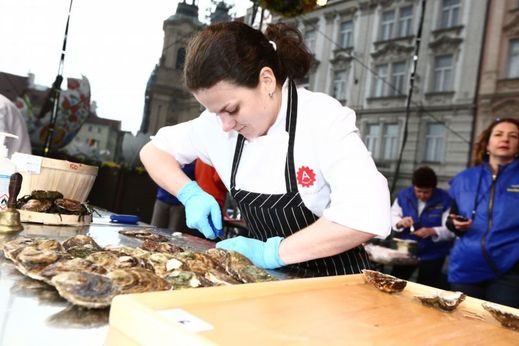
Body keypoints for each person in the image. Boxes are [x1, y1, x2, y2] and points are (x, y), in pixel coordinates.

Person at [140, 21, 391, 277]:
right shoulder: (217, 126)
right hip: (269, 282)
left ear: (267, 81)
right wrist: (189, 193)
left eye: (232, 109)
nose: (225, 125)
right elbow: (154, 152)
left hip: (336, 285)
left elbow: (367, 214)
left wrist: (272, 253)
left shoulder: (322, 119)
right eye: (215, 113)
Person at [446, 118, 519, 308]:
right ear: (487, 143)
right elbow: (450, 219)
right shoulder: (464, 179)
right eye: (498, 134)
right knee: (463, 327)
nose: (505, 139)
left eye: (513, 136)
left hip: (510, 272)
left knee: (501, 333)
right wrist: (454, 224)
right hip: (466, 267)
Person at [390, 166, 453, 289]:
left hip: (433, 253)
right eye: (418, 191)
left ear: (433, 189)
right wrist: (400, 222)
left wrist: (433, 231)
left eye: (426, 192)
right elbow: (393, 216)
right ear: (414, 186)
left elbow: (451, 228)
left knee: (426, 289)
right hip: (406, 252)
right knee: (396, 284)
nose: (422, 195)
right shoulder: (403, 195)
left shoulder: (445, 199)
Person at [150, 161, 195, 233]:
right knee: (154, 229)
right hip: (162, 199)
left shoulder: (193, 163)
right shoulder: (168, 157)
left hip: (179, 203)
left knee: (173, 233)